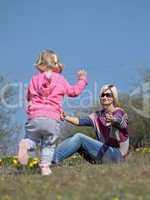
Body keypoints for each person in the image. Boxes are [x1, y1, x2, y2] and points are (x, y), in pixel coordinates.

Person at [18, 49, 88, 175]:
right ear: (56, 65)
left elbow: (28, 96)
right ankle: (45, 167)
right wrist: (82, 80)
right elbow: (74, 92)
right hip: (51, 118)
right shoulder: (60, 79)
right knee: (49, 144)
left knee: (32, 139)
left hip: (34, 117)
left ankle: (25, 145)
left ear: (41, 65)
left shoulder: (34, 79)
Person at [53, 84, 129, 164]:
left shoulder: (119, 112)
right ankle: (49, 158)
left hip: (117, 156)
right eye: (103, 95)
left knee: (79, 137)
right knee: (73, 138)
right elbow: (79, 121)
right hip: (103, 154)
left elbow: (121, 123)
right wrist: (66, 117)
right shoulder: (97, 116)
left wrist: (113, 119)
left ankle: (51, 161)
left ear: (114, 97)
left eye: (108, 95)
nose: (105, 97)